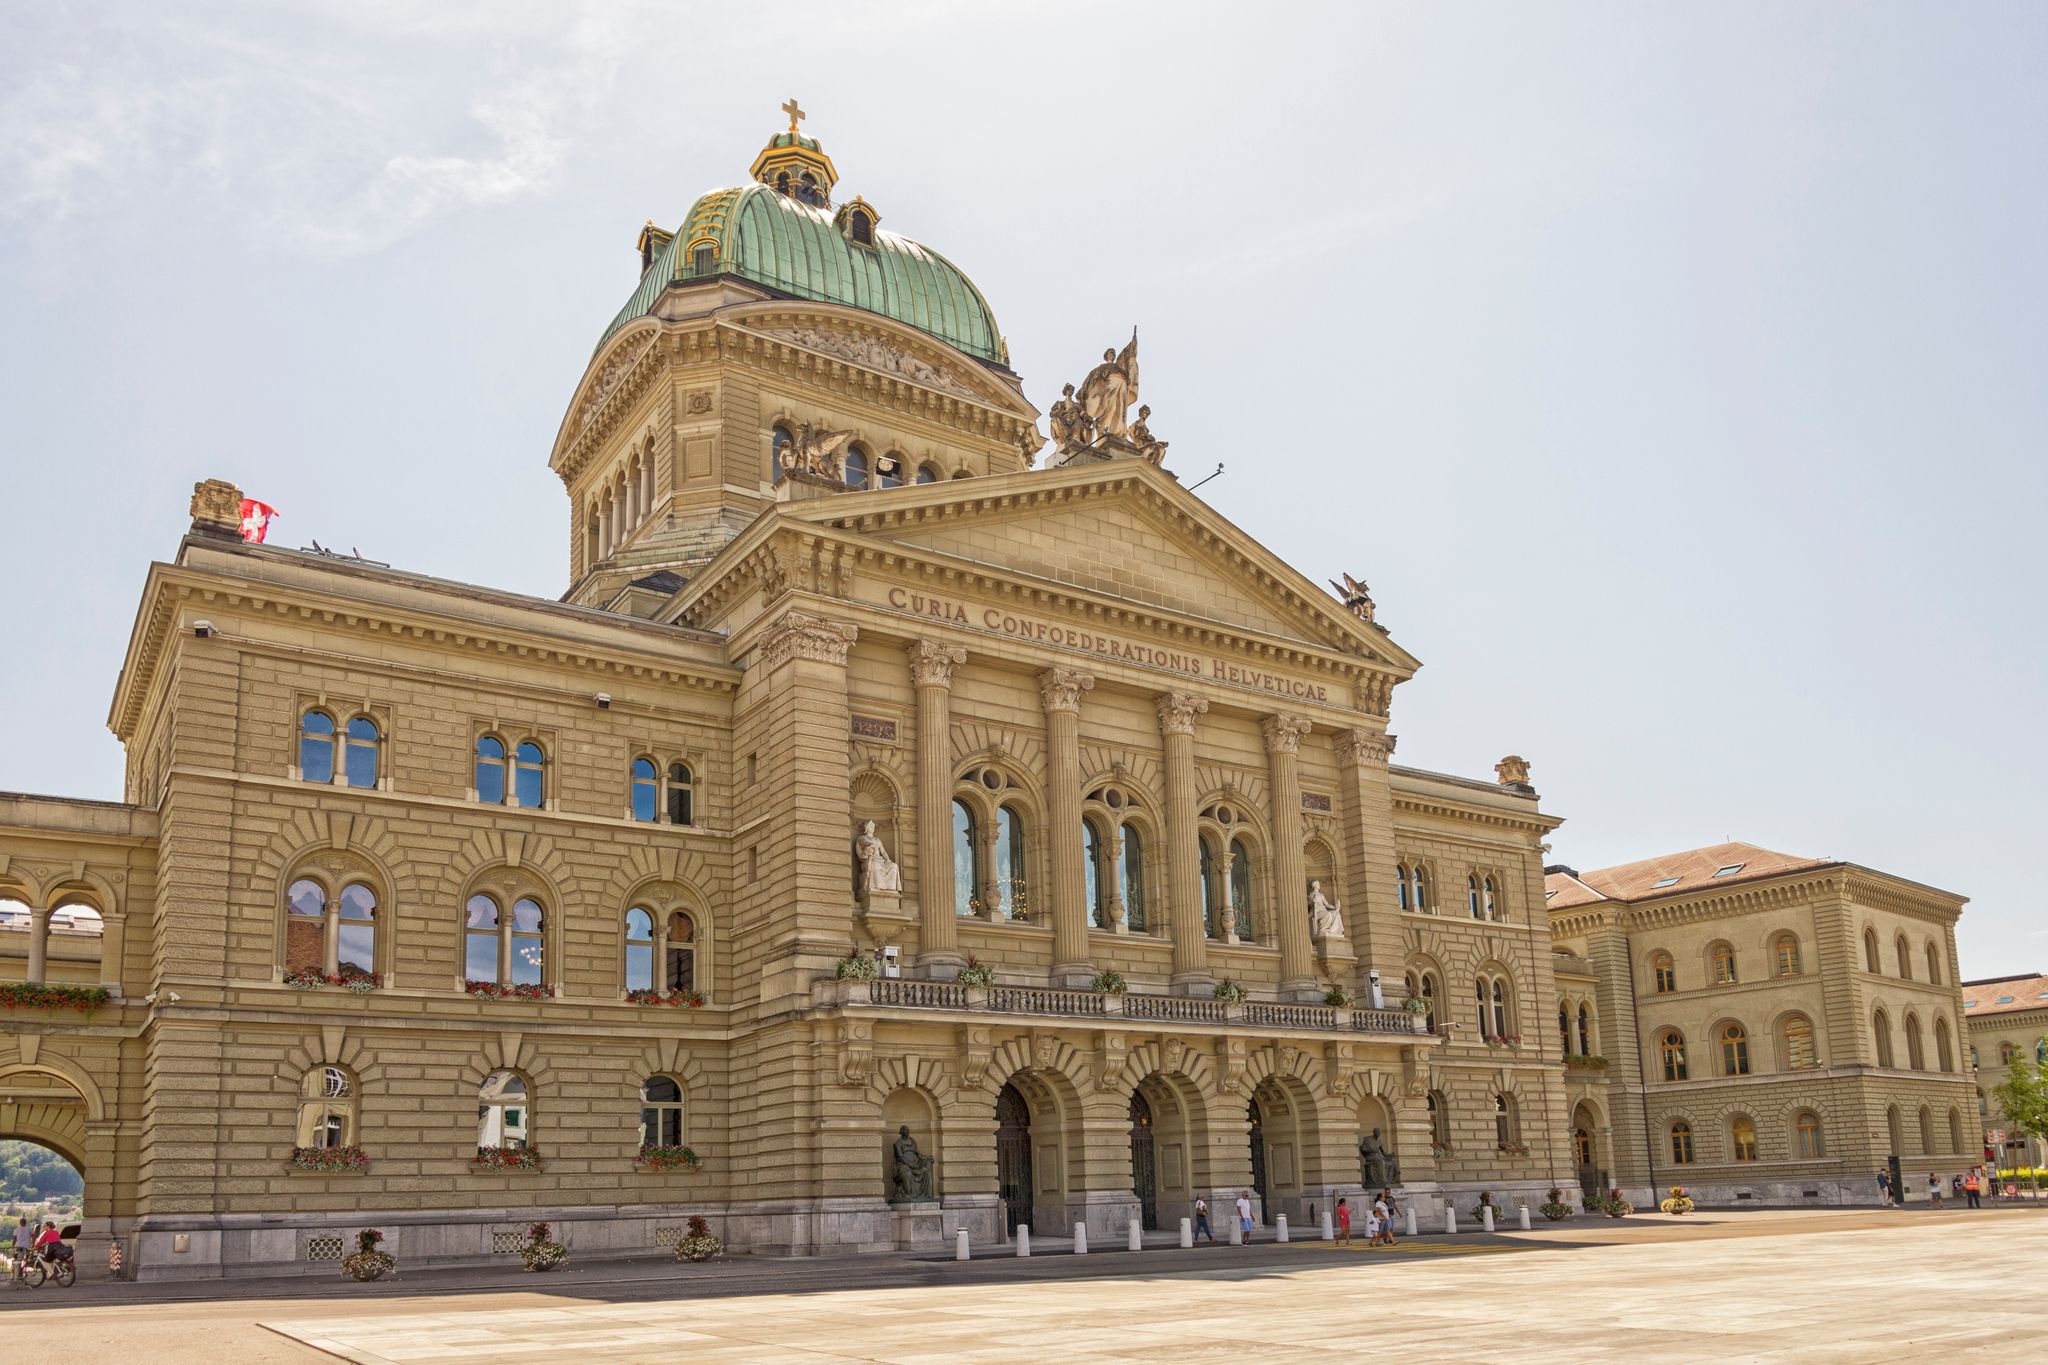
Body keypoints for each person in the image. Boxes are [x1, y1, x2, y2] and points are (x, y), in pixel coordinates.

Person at [8, 1217, 31, 1281]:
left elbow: (14, 1239)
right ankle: (23, 1271)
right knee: (26, 1260)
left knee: (17, 1260)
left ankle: (17, 1273)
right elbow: (33, 1236)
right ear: (25, 1223)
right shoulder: (29, 1229)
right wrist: (32, 1243)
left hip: (18, 1246)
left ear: (20, 1223)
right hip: (27, 1246)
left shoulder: (16, 1229)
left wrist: (13, 1246)